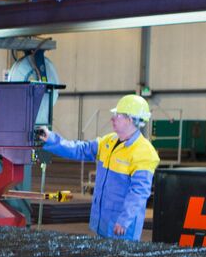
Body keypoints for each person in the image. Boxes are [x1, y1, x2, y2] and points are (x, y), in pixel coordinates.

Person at [36, 94, 159, 240]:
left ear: (129, 119)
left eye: (117, 115)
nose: (112, 118)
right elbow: (80, 149)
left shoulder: (144, 152)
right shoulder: (109, 141)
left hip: (122, 227)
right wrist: (50, 138)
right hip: (103, 221)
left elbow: (139, 192)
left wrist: (124, 220)